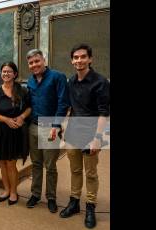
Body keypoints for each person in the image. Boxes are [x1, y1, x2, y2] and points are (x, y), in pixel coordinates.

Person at [60, 44, 110, 229]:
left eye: (82, 57)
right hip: (73, 133)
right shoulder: (71, 81)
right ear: (72, 61)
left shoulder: (101, 82)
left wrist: (98, 138)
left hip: (91, 134)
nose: (79, 60)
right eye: (75, 57)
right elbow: (70, 108)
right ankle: (74, 202)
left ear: (90, 59)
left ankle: (90, 206)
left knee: (90, 173)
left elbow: (104, 113)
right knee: (75, 171)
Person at [25, 48, 69, 213]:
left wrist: (56, 126)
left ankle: (51, 197)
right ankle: (35, 194)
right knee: (36, 164)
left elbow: (63, 103)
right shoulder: (30, 81)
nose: (34, 65)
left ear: (44, 60)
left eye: (37, 61)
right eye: (31, 63)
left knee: (50, 166)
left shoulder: (58, 77)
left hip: (50, 126)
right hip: (33, 126)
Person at [0, 62, 31, 205]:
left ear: (15, 74)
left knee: (11, 164)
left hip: (15, 132)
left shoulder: (22, 90)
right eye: (4, 71)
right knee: (2, 163)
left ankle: (13, 192)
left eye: (9, 71)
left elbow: (29, 107)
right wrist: (5, 119)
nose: (6, 74)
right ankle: (6, 190)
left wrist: (22, 117)